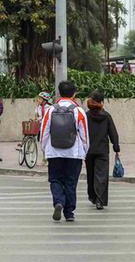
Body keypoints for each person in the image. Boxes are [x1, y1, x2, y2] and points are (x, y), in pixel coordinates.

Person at [41, 81, 89, 222]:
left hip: (54, 152)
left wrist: (45, 149)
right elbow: (84, 134)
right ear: (74, 94)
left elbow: (44, 131)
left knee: (55, 179)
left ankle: (58, 202)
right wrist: (84, 151)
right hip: (74, 153)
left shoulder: (50, 110)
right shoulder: (78, 110)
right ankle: (69, 213)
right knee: (71, 182)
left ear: (59, 93)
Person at [85, 90, 120, 210]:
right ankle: (100, 200)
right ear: (102, 102)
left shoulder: (86, 115)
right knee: (101, 175)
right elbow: (113, 133)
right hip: (102, 150)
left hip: (88, 150)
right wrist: (116, 147)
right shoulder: (106, 116)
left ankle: (92, 196)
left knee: (91, 174)